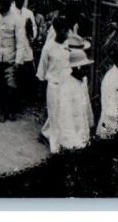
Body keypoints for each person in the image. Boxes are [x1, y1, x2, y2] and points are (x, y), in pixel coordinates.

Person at [0, 0, 27, 122]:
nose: (0, 6)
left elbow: (21, 42)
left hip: (10, 57)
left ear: (10, 4)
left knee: (10, 85)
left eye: (4, 4)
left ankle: (9, 111)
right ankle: (3, 109)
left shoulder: (17, 19)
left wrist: (18, 61)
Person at [36, 15, 72, 147]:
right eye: (64, 31)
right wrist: (41, 90)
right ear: (57, 30)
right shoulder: (48, 48)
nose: (66, 33)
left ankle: (45, 133)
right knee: (54, 114)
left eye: (67, 30)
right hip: (53, 85)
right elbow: (42, 69)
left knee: (61, 113)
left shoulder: (68, 44)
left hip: (66, 84)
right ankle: (54, 146)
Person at [51, 49, 94, 153]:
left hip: (83, 131)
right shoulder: (67, 87)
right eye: (85, 67)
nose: (88, 70)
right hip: (72, 139)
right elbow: (66, 119)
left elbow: (87, 104)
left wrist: (90, 124)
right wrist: (74, 143)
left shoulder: (83, 81)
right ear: (77, 68)